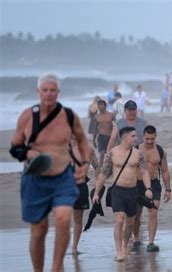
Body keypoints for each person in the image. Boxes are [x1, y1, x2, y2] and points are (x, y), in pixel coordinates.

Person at [10, 73, 89, 271]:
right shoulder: (28, 116)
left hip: (62, 176)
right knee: (39, 230)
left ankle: (56, 267)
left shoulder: (69, 116)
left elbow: (82, 138)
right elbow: (15, 147)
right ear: (38, 92)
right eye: (45, 90)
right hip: (35, 179)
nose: (48, 94)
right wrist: (29, 152)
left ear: (58, 92)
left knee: (63, 218)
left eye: (52, 90)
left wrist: (85, 162)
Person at [92, 126, 153, 261]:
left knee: (130, 222)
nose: (136, 138)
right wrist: (96, 193)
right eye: (133, 136)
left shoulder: (138, 154)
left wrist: (148, 188)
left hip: (132, 191)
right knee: (119, 219)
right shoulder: (112, 153)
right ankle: (119, 251)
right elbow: (103, 174)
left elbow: (144, 172)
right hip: (118, 191)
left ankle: (125, 245)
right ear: (124, 137)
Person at [133, 125, 171, 252]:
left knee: (153, 212)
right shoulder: (135, 150)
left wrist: (168, 189)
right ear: (142, 136)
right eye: (147, 139)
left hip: (154, 183)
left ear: (155, 137)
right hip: (137, 184)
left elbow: (165, 171)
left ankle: (151, 242)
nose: (149, 141)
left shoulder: (160, 150)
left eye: (152, 139)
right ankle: (137, 239)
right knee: (136, 214)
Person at [69, 136, 100, 255]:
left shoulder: (88, 149)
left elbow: (97, 167)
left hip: (80, 187)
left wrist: (98, 183)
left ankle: (74, 248)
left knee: (77, 218)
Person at [94, 99, 116, 167]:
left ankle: (113, 167)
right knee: (101, 153)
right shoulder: (96, 116)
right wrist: (93, 140)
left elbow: (116, 126)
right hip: (101, 136)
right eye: (99, 105)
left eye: (102, 105)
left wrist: (116, 136)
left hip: (110, 136)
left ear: (105, 106)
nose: (100, 106)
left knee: (111, 153)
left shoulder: (111, 115)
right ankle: (100, 168)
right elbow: (95, 129)